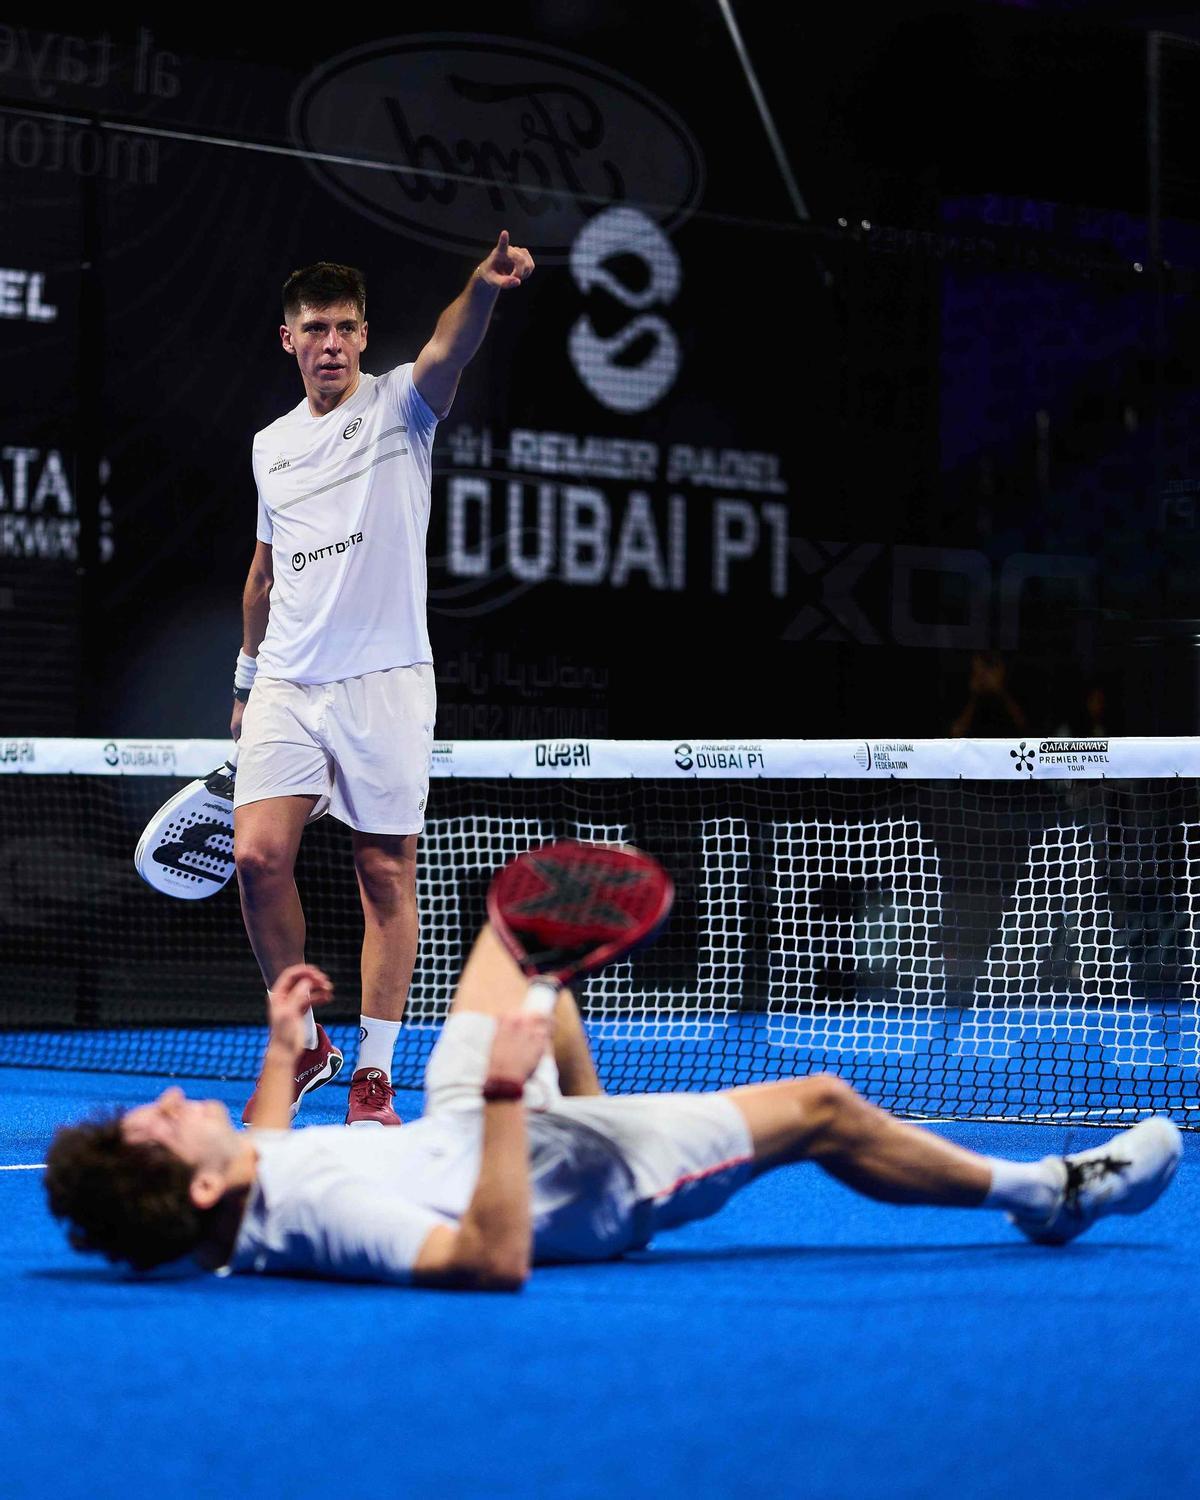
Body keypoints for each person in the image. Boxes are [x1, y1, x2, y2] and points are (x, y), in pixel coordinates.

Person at [44, 928, 1181, 1290]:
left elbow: (261, 1152)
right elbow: (487, 1259)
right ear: (200, 1183)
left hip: (466, 1125)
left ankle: (608, 1107)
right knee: (825, 1105)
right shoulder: (331, 1209)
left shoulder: (240, 1200)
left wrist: (279, 1054)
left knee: (516, 935)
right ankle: (1049, 1192)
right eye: (163, 1121)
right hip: (557, 1186)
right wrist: (506, 1093)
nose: (171, 1096)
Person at [230, 233, 534, 1128]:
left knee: (383, 872)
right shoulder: (270, 446)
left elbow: (450, 345)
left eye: (345, 328)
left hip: (387, 679)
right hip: (288, 681)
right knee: (256, 860)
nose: (330, 343)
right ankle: (307, 1043)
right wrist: (245, 681)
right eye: (314, 328)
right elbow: (262, 575)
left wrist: (482, 286)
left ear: (364, 336)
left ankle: (372, 1074)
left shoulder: (404, 405)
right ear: (289, 339)